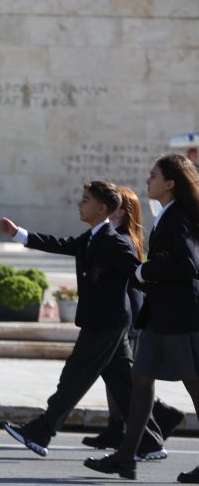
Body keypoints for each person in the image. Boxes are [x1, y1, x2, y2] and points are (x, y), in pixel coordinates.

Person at [0, 180, 165, 461]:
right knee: (123, 383)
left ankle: (42, 431)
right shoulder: (91, 238)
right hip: (102, 321)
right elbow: (59, 244)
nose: (79, 204)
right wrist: (19, 234)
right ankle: (149, 441)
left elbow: (138, 273)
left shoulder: (114, 241)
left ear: (102, 208)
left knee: (74, 377)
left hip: (106, 323)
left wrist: (168, 296)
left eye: (85, 200)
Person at [84, 155, 199, 482]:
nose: (147, 180)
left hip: (180, 315)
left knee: (194, 386)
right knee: (141, 379)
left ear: (170, 183)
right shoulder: (167, 214)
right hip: (160, 314)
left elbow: (188, 264)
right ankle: (126, 457)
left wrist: (143, 270)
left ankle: (126, 455)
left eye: (153, 175)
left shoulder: (177, 217)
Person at [81, 186, 184, 451]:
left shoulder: (121, 237)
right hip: (121, 313)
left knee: (125, 376)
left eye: (115, 209)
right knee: (118, 374)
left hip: (125, 314)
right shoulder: (117, 234)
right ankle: (123, 427)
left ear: (125, 212)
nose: (109, 213)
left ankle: (150, 420)